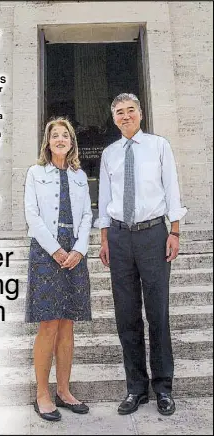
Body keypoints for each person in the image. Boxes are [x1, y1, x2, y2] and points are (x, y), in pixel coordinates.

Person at [98, 93, 187, 416]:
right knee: (127, 316)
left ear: (141, 114)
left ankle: (163, 387)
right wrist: (105, 239)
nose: (125, 116)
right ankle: (136, 388)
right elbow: (105, 197)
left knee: (158, 313)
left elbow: (172, 188)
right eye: (119, 112)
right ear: (114, 118)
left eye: (130, 110)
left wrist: (174, 231)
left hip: (153, 235)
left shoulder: (159, 146)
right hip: (120, 238)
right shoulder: (109, 154)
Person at [24, 117, 92, 422]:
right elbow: (32, 215)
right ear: (48, 142)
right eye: (56, 136)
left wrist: (79, 248)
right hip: (45, 251)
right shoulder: (35, 173)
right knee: (48, 325)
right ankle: (42, 394)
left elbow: (88, 215)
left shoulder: (79, 175)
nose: (61, 139)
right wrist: (56, 249)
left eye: (66, 135)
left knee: (67, 325)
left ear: (71, 141)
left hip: (75, 253)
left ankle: (64, 391)